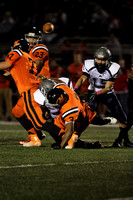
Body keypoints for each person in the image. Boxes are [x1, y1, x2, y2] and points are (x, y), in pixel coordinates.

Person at [0, 39, 59, 147]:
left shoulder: (17, 53)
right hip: (33, 88)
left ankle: (64, 136)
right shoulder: (27, 57)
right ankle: (34, 137)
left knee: (39, 121)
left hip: (30, 90)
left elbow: (4, 65)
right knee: (17, 112)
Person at [74, 46, 133, 148]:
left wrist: (95, 94)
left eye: (103, 60)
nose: (100, 62)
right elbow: (83, 78)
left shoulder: (114, 68)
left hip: (107, 94)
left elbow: (107, 88)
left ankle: (123, 140)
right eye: (98, 59)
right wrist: (75, 89)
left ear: (108, 60)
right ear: (94, 58)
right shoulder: (88, 64)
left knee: (123, 119)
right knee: (85, 115)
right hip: (92, 92)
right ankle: (74, 136)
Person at [11, 27, 50, 145]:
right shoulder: (23, 50)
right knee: (17, 112)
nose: (31, 41)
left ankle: (62, 135)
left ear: (39, 39)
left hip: (40, 86)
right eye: (29, 38)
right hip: (30, 86)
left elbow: (36, 65)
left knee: (41, 118)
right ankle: (35, 135)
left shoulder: (39, 48)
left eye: (34, 38)